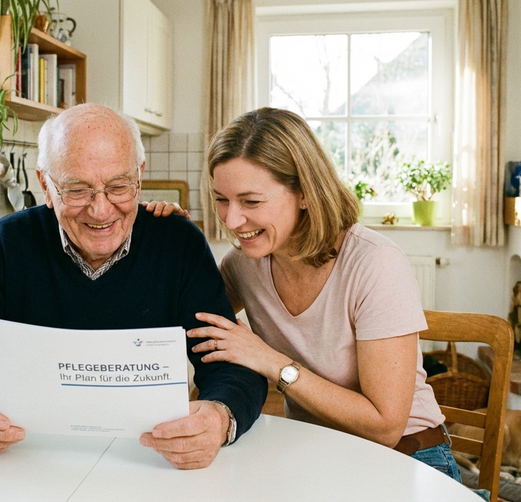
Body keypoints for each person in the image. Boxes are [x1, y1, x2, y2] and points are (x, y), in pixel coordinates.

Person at [0, 103, 266, 470]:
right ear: (45, 184)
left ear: (139, 177)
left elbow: (232, 365)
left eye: (118, 187)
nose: (100, 210)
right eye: (77, 189)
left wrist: (218, 418)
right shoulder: (4, 245)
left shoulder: (177, 244)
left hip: (147, 463)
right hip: (28, 461)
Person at [147, 107, 461, 480]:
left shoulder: (376, 264)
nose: (231, 220)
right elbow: (176, 320)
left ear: (305, 194)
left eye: (251, 202)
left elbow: (385, 426)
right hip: (318, 453)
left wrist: (270, 361)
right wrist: (164, 245)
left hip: (410, 458)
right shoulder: (244, 264)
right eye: (222, 199)